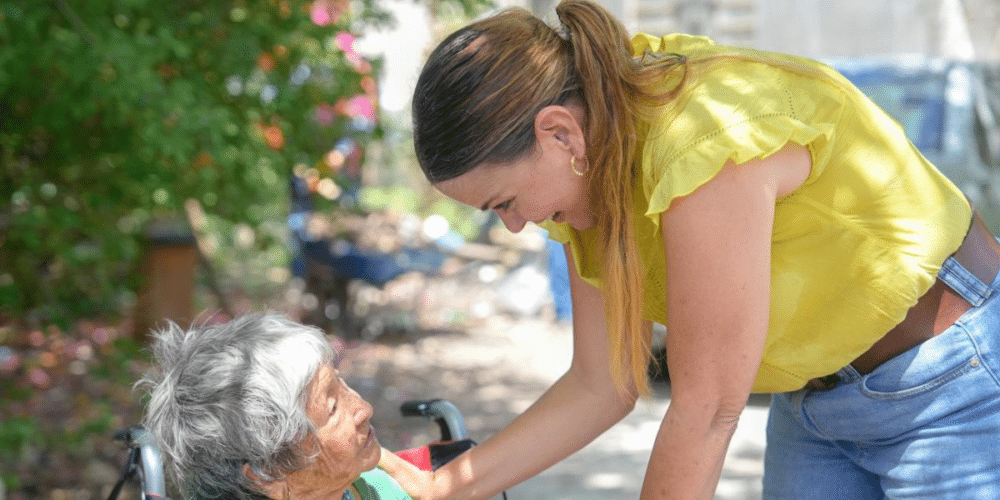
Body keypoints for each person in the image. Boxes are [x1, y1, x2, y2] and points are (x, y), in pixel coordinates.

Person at [389, 0, 1000, 498]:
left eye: (503, 202)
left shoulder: (702, 142)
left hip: (953, 381)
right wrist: (442, 488)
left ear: (558, 132)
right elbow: (603, 382)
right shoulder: (585, 175)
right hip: (817, 399)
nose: (514, 226)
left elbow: (706, 409)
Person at [139, 313, 412, 500]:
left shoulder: (365, 481)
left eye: (340, 383)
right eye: (332, 408)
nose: (364, 408)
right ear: (268, 475)